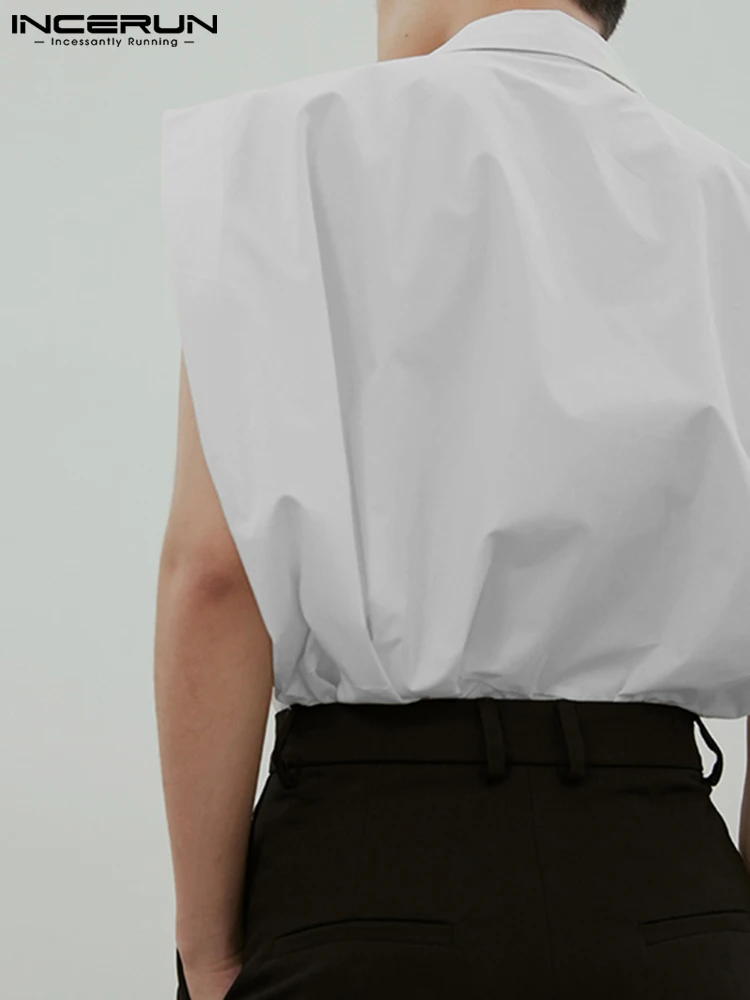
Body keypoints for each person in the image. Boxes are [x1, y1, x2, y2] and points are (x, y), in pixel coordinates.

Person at [155, 1, 750, 997]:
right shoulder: (729, 202)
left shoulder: (292, 152)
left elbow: (217, 578)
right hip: (671, 887)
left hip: (372, 867)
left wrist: (208, 953)